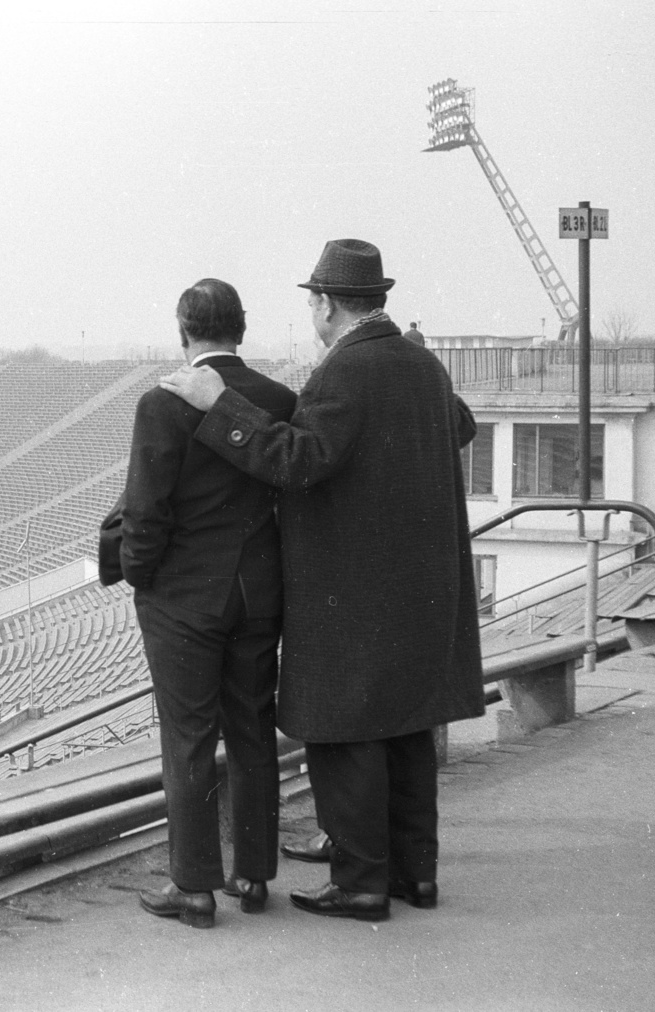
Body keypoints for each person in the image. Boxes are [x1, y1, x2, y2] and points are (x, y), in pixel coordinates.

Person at [159, 239, 485, 923]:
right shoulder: (421, 363)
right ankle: (413, 875)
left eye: (313, 301)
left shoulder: (346, 372)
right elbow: (458, 424)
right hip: (419, 584)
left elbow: (300, 461)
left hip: (355, 586)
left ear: (328, 305)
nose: (312, 312)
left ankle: (362, 883)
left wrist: (221, 406)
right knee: (406, 728)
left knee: (347, 732)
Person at [124, 279, 297, 928]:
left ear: (182, 330)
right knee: (253, 732)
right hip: (256, 595)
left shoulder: (161, 404)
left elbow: (144, 512)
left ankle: (193, 887)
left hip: (185, 604)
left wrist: (143, 579)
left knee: (189, 738)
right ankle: (252, 875)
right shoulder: (278, 399)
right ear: (242, 329)